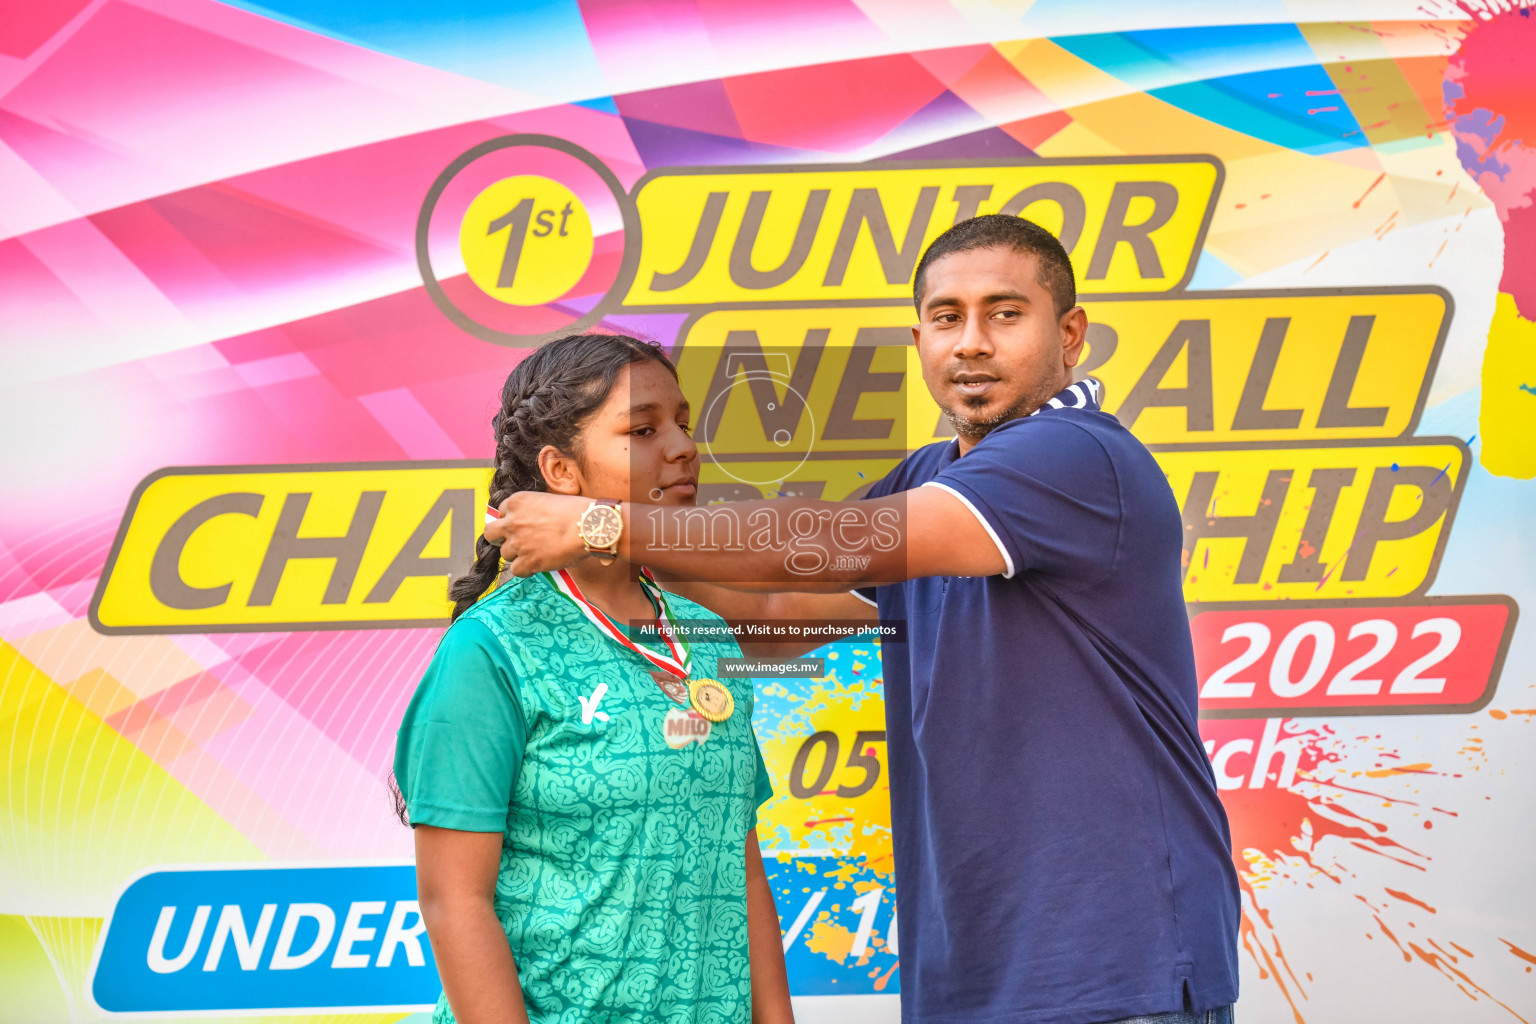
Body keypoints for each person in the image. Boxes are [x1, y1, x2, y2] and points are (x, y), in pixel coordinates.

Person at [485, 216, 1242, 1024]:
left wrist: (603, 524)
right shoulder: (935, 477)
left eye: (1005, 313)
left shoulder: (1075, 455)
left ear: (1072, 335)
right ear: (919, 340)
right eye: (947, 318)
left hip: (1111, 961)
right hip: (976, 967)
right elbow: (775, 610)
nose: (972, 342)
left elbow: (836, 544)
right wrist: (599, 557)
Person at [393, 332, 796, 1024]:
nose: (681, 449)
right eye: (642, 430)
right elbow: (453, 901)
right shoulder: (491, 651)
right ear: (561, 470)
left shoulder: (704, 632)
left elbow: (741, 867)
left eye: (681, 425)